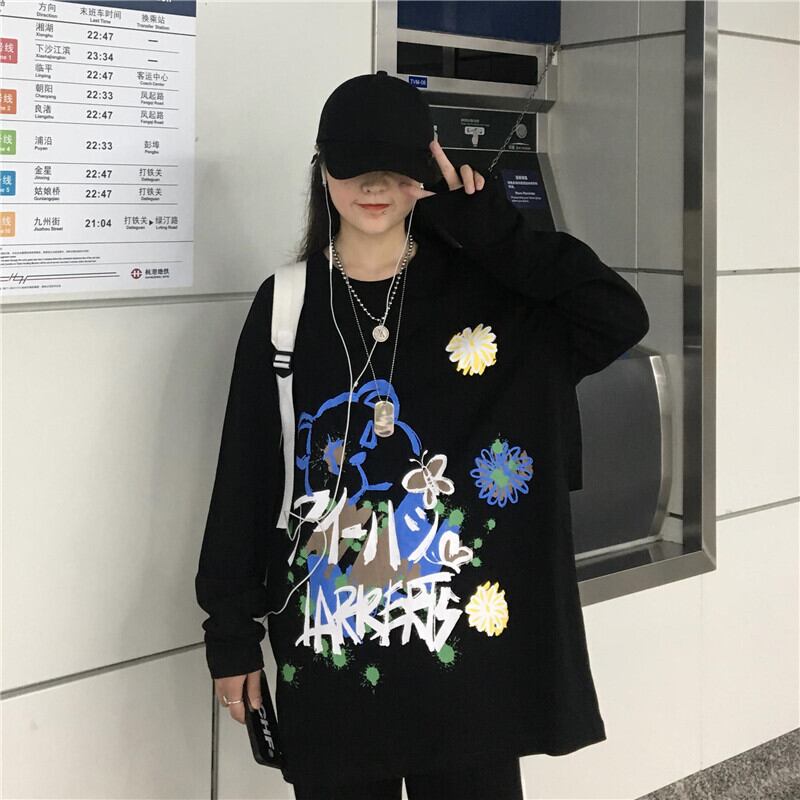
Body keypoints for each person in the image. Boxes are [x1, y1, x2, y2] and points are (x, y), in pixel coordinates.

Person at [195, 72, 650, 799]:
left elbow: (616, 316)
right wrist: (230, 631)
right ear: (323, 168)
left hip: (467, 675)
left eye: (397, 167)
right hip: (333, 658)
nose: (374, 187)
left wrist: (491, 230)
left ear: (427, 171)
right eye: (354, 166)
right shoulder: (287, 306)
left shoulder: (492, 296)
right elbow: (248, 473)